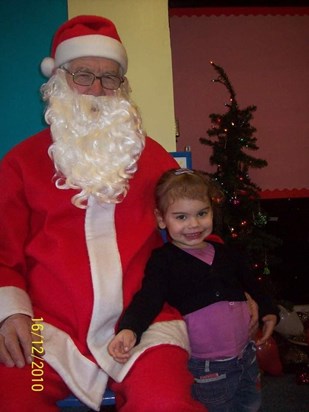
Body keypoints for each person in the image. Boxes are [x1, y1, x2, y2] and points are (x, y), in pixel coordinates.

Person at [0, 15, 209, 412]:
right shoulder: (21, 162)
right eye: (83, 75)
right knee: (12, 395)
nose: (96, 89)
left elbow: (195, 220)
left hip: (145, 325)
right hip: (47, 330)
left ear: (122, 88)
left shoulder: (152, 157)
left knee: (164, 402)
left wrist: (231, 285)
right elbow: (1, 253)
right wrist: (10, 315)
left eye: (109, 78)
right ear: (59, 80)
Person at [108, 168, 279, 412]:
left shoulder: (226, 253)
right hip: (207, 368)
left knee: (250, 404)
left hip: (246, 356)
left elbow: (252, 283)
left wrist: (268, 310)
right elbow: (148, 298)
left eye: (202, 213)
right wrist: (130, 328)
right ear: (161, 218)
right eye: (181, 217)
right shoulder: (163, 260)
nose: (194, 224)